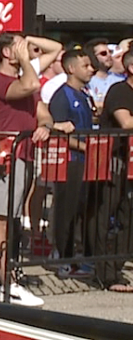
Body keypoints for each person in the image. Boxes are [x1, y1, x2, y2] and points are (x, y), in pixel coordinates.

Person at [0, 33, 63, 307]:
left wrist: (45, 126)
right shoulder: (0, 82)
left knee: (6, 221)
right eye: (19, 47)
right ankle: (1, 282)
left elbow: (42, 110)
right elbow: (31, 84)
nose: (27, 50)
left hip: (22, 156)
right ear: (6, 53)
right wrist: (25, 58)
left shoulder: (24, 79)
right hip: (3, 157)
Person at [47, 49, 98, 279]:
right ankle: (63, 258)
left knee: (82, 209)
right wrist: (86, 147)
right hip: (69, 161)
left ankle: (80, 255)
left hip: (87, 161)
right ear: (71, 68)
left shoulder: (84, 94)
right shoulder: (62, 96)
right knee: (66, 210)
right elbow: (58, 132)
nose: (91, 69)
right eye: (85, 65)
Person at [99, 50, 133, 292]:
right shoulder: (120, 91)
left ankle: (118, 268)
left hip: (130, 164)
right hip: (114, 160)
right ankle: (106, 273)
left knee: (127, 217)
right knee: (107, 216)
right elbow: (126, 122)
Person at [85, 38, 125, 113]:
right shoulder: (88, 81)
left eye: (110, 52)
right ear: (93, 57)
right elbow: (90, 104)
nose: (109, 55)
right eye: (103, 53)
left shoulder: (121, 79)